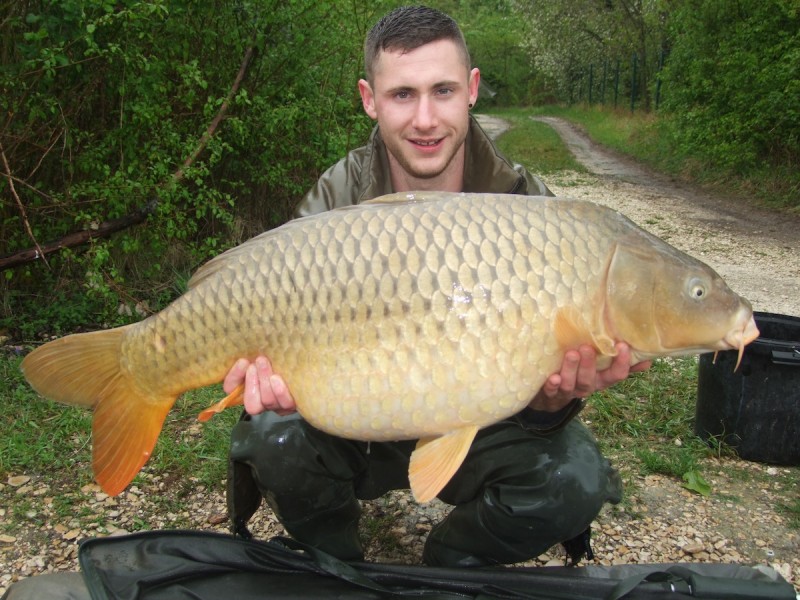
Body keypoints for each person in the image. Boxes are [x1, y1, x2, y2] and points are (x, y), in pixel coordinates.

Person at [224, 5, 650, 569]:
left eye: (442, 90)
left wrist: (553, 402)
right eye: (402, 95)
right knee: (272, 435)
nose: (425, 118)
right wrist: (271, 387)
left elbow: (545, 395)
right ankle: (340, 568)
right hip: (358, 422)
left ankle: (449, 569)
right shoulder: (336, 198)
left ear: (471, 90)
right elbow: (266, 325)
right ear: (369, 99)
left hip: (482, 424)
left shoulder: (529, 206)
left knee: (575, 478)